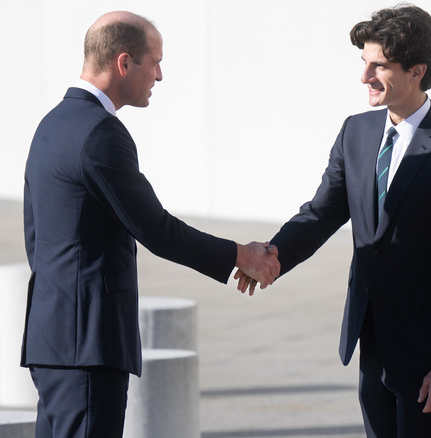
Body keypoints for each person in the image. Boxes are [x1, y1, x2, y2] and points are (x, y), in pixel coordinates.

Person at [235, 5, 431, 437]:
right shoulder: (355, 132)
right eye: (364, 63)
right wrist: (272, 255)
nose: (365, 77)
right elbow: (320, 214)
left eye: (380, 66)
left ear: (417, 71)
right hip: (371, 343)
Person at [22, 11, 279, 437]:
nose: (159, 75)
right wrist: (240, 255)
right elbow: (156, 229)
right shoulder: (100, 133)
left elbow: (35, 236)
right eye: (154, 62)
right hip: (89, 345)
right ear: (124, 63)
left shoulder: (51, 124)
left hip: (52, 337)